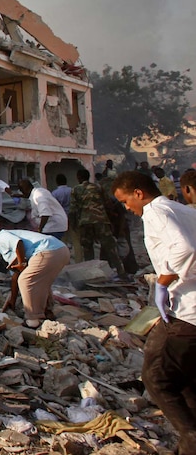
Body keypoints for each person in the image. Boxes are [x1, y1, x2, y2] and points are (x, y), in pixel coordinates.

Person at [111, 171, 196, 453]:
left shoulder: (155, 212)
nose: (127, 209)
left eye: (125, 201)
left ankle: (190, 436)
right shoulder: (181, 209)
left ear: (138, 193)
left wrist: (163, 281)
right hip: (188, 304)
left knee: (156, 375)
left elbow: (185, 248)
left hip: (187, 310)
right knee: (182, 374)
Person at [0, 230, 70, 328]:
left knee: (25, 281)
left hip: (47, 250)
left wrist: (22, 263)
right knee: (41, 282)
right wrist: (12, 300)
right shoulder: (10, 250)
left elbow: (18, 242)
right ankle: (48, 312)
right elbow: (16, 276)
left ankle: (33, 319)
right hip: (60, 250)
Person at [70, 169, 124, 274]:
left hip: (85, 222)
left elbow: (73, 209)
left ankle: (91, 274)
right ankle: (121, 272)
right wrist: (111, 221)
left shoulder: (76, 189)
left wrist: (73, 225)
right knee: (110, 247)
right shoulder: (98, 187)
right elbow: (108, 205)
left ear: (78, 177)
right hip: (101, 220)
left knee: (87, 249)